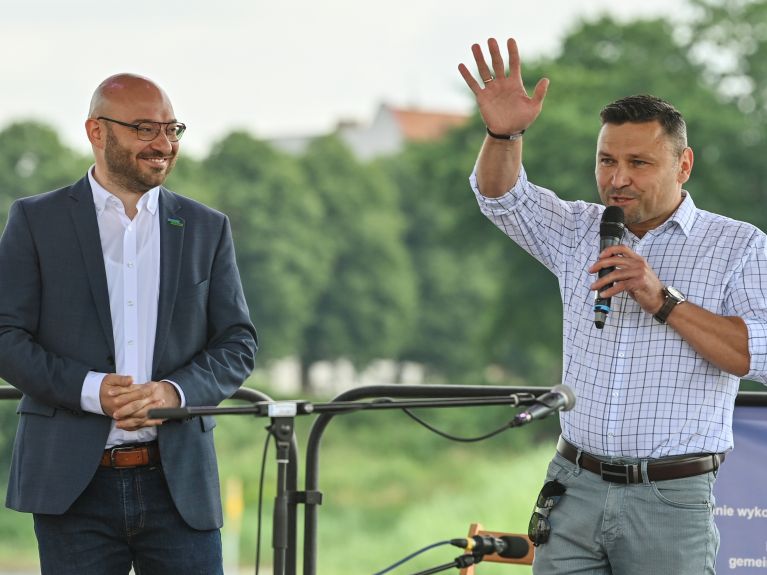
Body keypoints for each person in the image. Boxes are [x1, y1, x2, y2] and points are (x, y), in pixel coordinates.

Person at [458, 38, 767, 574]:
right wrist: (503, 133)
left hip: (670, 498)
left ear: (683, 165)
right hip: (572, 485)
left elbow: (758, 354)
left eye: (638, 163)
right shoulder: (579, 229)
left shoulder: (738, 246)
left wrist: (661, 297)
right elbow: (500, 196)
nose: (617, 178)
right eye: (607, 160)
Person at [0, 73, 257, 574]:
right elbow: (4, 336)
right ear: (97, 131)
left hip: (179, 485)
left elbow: (237, 343)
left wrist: (173, 393)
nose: (164, 144)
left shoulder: (207, 227)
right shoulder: (36, 221)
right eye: (144, 128)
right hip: (72, 488)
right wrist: (92, 390)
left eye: (172, 129)